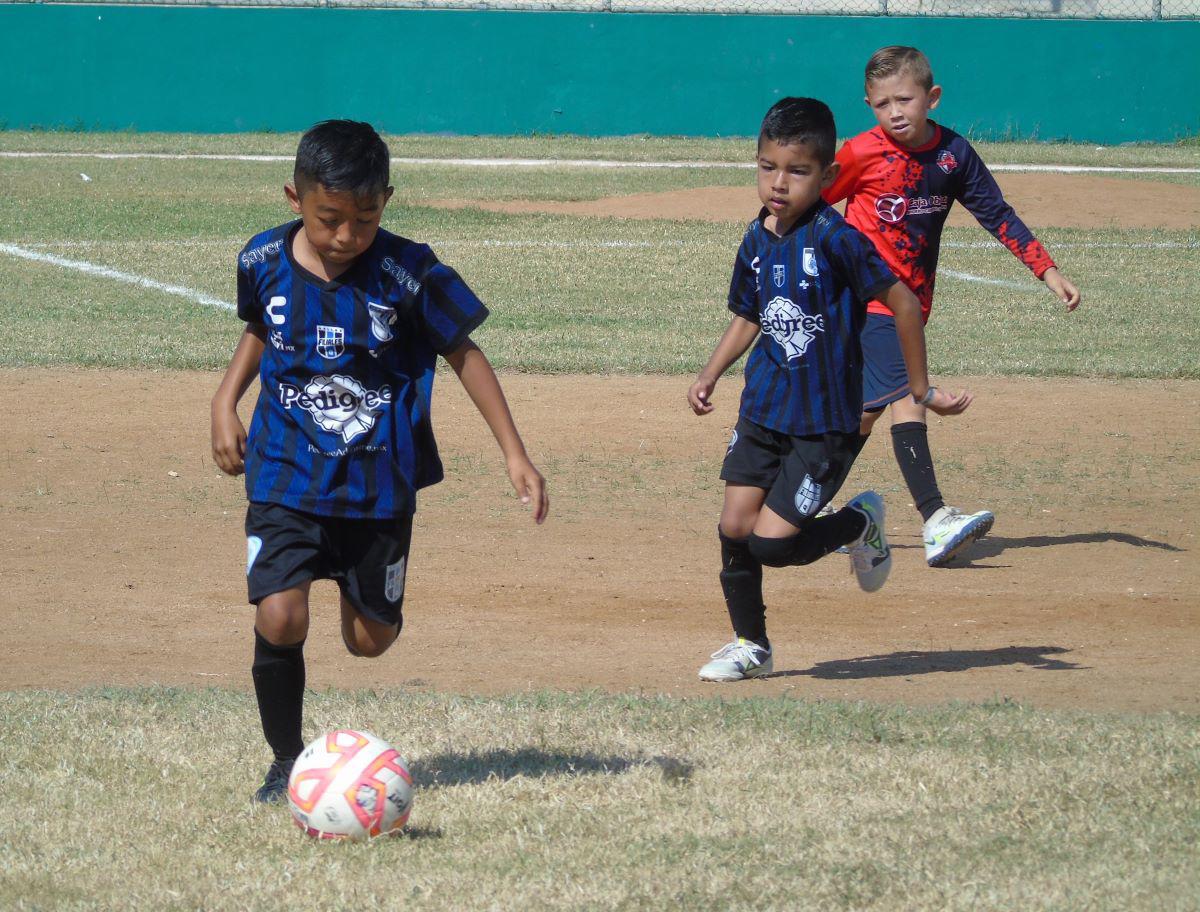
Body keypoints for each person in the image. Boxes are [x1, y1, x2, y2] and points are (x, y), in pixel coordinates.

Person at [210, 120, 549, 802]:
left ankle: (351, 584)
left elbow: (464, 354)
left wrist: (515, 452)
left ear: (387, 201)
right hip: (285, 471)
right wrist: (224, 400)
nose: (346, 236)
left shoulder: (408, 271)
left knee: (371, 641)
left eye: (364, 219)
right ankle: (285, 761)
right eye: (329, 218)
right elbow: (259, 328)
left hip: (377, 483)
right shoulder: (261, 259)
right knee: (280, 615)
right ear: (294, 198)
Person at [688, 97, 971, 683]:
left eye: (797, 171)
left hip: (824, 423)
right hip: (763, 410)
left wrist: (919, 388)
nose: (779, 183)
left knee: (770, 545)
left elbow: (903, 304)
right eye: (768, 167)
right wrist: (710, 372)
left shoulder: (837, 239)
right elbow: (748, 315)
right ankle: (751, 645)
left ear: (827, 176)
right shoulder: (756, 238)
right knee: (733, 528)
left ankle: (857, 523)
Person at [822, 45, 1081, 567]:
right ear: (868, 104)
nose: (894, 112)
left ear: (931, 97)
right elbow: (808, 202)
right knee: (905, 398)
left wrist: (1046, 270)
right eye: (881, 103)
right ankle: (936, 519)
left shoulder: (953, 155)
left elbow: (997, 214)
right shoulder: (860, 153)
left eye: (904, 99)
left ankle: (806, 497)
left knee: (866, 411)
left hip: (912, 306)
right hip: (864, 300)